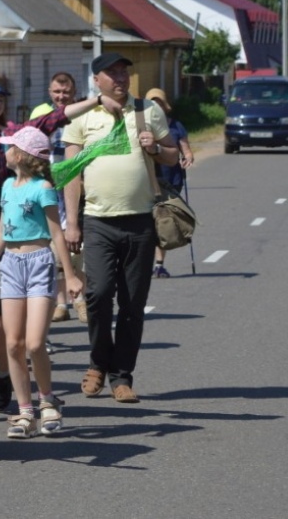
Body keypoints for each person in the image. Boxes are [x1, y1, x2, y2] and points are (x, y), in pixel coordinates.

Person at [0, 84, 121, 426]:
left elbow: (52, 121)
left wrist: (97, 101)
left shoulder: (4, 143)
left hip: (8, 244)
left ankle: (9, 380)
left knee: (2, 331)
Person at [62, 53, 179, 404]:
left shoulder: (147, 111)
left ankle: (122, 376)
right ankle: (98, 363)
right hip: (97, 222)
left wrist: (157, 147)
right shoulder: (83, 115)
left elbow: (172, 155)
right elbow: (70, 173)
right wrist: (72, 223)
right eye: (111, 73)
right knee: (97, 296)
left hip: (140, 221)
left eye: (123, 72)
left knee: (132, 303)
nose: (120, 78)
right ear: (96, 79)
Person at [0, 126, 83, 438]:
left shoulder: (43, 188)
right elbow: (2, 229)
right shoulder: (7, 185)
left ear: (22, 154)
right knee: (13, 343)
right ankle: (24, 412)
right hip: (9, 265)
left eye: (9, 147)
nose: (4, 151)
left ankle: (47, 401)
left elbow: (57, 232)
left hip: (38, 264)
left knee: (34, 342)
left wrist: (71, 274)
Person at [30, 72, 83, 321]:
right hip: (49, 183)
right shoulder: (40, 113)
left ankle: (81, 299)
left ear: (74, 92)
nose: (61, 97)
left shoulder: (82, 112)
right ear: (50, 92)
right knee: (55, 244)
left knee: (77, 246)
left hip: (76, 183)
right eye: (57, 92)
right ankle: (60, 303)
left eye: (66, 92)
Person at [145, 88, 194, 278]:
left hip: (171, 179)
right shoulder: (143, 127)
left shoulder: (175, 126)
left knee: (163, 221)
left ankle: (159, 264)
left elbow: (186, 148)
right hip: (148, 180)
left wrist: (187, 158)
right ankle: (144, 264)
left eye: (159, 103)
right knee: (147, 224)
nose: (156, 107)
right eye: (152, 103)